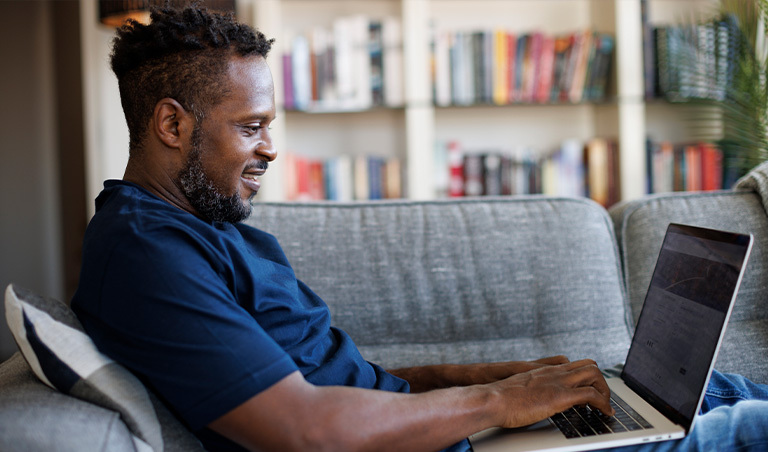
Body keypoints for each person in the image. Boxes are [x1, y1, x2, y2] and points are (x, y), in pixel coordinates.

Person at [71, 4, 768, 452]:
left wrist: (498, 377)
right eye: (251, 127)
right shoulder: (144, 253)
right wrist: (498, 402)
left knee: (725, 392)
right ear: (171, 123)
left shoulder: (206, 223)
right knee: (743, 431)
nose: (271, 148)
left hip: (445, 430)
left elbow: (339, 382)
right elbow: (301, 427)